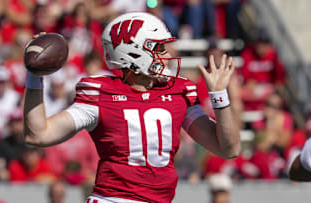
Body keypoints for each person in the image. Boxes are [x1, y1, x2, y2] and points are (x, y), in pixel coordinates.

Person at [23, 12, 240, 203]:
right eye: (160, 48)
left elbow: (228, 149)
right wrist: (35, 76)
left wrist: (220, 96)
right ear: (135, 53)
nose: (167, 55)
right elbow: (39, 135)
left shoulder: (178, 92)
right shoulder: (100, 93)